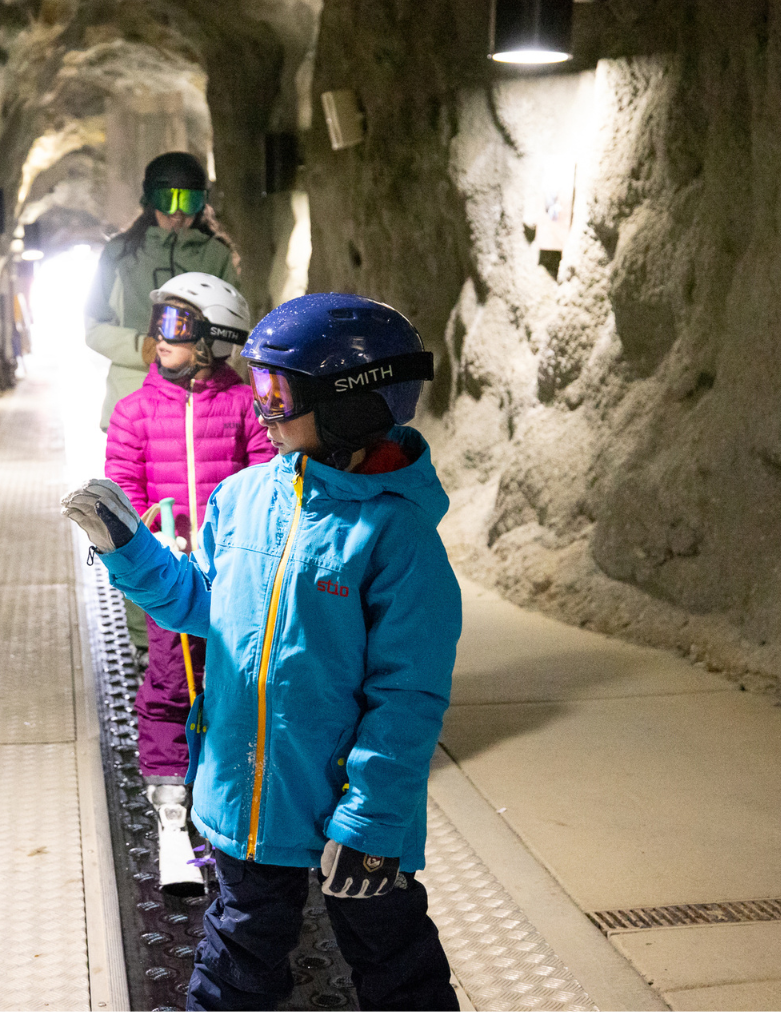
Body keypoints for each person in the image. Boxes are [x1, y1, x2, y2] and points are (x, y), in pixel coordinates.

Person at [62, 292, 462, 1011]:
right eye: (258, 390)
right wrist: (130, 551)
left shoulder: (397, 539)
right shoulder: (245, 496)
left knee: (393, 957)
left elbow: (408, 699)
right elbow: (204, 604)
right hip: (246, 801)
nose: (261, 411)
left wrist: (371, 823)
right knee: (237, 954)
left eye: (278, 395)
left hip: (348, 804)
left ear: (348, 402)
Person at [104, 272, 274, 823]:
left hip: (235, 570)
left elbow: (266, 479)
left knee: (241, 672)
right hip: (174, 572)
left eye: (177, 326)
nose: (161, 339)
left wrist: (244, 543)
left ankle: (236, 774)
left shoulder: (248, 406)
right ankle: (169, 784)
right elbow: (125, 486)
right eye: (158, 325)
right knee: (171, 677)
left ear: (212, 340)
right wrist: (153, 537)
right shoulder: (133, 413)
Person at [85, 151, 237, 429]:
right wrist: (145, 349)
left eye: (189, 201)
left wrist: (200, 355)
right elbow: (94, 327)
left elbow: (232, 326)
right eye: (167, 200)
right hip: (133, 400)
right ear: (150, 201)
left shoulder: (216, 256)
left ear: (202, 203)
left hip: (199, 403)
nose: (177, 213)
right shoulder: (119, 255)